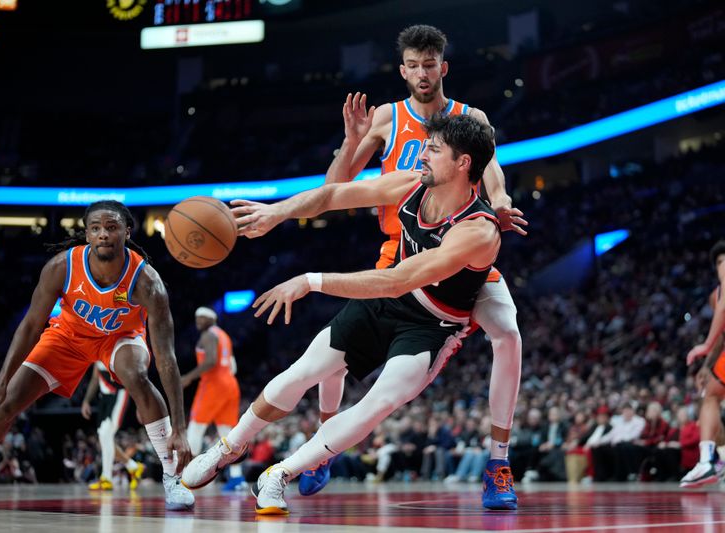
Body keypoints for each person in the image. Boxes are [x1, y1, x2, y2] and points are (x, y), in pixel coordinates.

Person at [183, 113, 510, 514]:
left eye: (433, 149)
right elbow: (334, 195)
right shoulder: (411, 185)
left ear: (462, 164)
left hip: (432, 322)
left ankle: (279, 475)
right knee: (303, 372)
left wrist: (310, 280)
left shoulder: (478, 231)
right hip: (386, 301)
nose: (422, 154)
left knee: (379, 402)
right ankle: (228, 447)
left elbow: (399, 279)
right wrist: (278, 211)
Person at [303, 24, 526, 503]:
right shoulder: (385, 117)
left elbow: (494, 174)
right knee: (337, 351)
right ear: (402, 70)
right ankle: (322, 446)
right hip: (400, 250)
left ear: (442, 67)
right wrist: (352, 140)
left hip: (459, 255)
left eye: (430, 64)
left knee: (508, 334)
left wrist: (501, 203)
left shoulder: (472, 118)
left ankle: (498, 462)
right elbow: (334, 187)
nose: (423, 73)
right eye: (413, 65)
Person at [0, 201, 194, 511]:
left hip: (119, 337)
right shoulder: (62, 267)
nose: (103, 235)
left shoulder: (148, 283)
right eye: (95, 228)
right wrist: (1, 381)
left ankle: (171, 477)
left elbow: (166, 358)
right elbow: (29, 326)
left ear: (127, 231)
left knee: (137, 375)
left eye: (111, 228)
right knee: (5, 403)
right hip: (67, 337)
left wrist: (179, 427)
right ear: (86, 233)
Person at [181, 307, 245, 491]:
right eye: (196, 318)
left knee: (195, 428)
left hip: (213, 385)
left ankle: (188, 474)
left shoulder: (208, 336)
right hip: (230, 384)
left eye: (202, 318)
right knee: (228, 434)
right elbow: (232, 365)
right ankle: (237, 477)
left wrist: (189, 377)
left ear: (211, 319)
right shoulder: (224, 335)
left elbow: (210, 361)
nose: (198, 321)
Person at [682, 240, 725, 487]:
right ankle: (713, 460)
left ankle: (708, 461)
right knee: (711, 395)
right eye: (719, 262)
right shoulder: (714, 296)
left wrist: (706, 346)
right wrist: (708, 365)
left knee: (711, 397)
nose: (723, 266)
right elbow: (721, 331)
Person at [81, 361, 146, 491]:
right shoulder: (97, 349)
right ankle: (133, 467)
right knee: (104, 439)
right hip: (104, 398)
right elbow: (95, 377)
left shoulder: (116, 348)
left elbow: (135, 376)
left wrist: (140, 404)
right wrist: (86, 401)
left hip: (119, 394)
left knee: (106, 434)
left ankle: (106, 478)